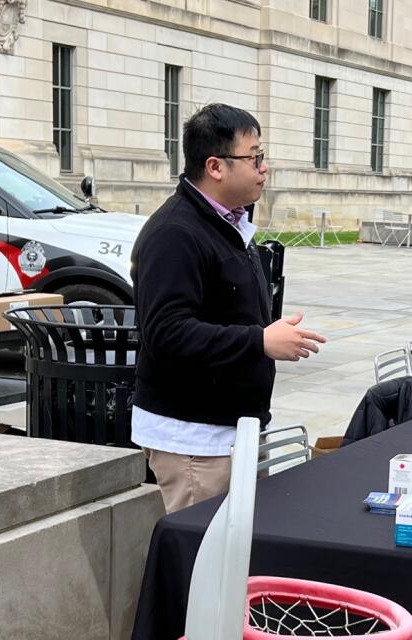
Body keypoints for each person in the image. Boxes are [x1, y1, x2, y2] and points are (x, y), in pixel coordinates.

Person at [131, 103, 327, 512]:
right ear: (215, 166)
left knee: (238, 559)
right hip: (195, 441)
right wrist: (260, 341)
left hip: (237, 427)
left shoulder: (228, 222)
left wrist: (264, 336)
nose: (263, 167)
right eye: (254, 157)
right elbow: (166, 332)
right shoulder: (175, 233)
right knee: (204, 560)